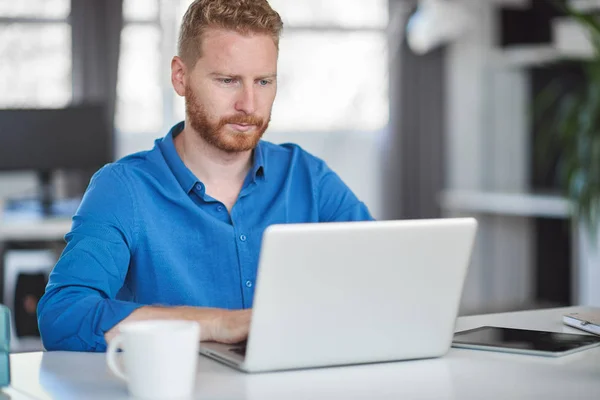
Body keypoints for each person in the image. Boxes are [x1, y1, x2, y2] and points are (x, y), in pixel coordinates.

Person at [37, 0, 373, 352]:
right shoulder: (123, 189)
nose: (249, 103)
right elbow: (64, 317)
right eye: (228, 80)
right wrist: (219, 323)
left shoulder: (307, 176)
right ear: (181, 77)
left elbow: (387, 275)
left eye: (263, 81)